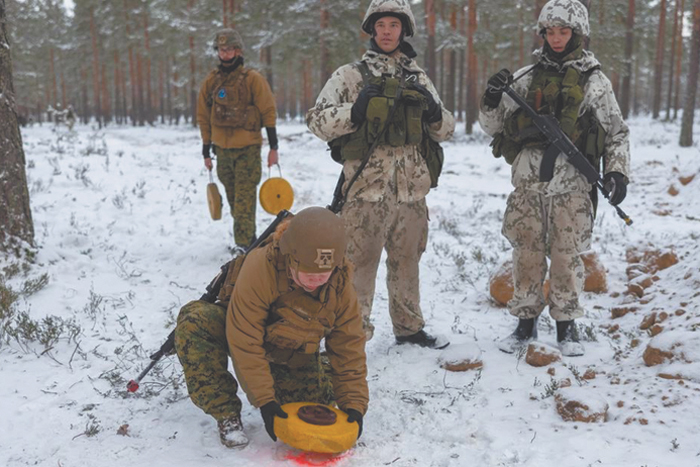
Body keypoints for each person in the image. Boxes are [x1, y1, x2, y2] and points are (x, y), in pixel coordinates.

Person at [479, 0, 630, 357]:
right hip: (528, 185)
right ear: (543, 33)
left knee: (567, 256)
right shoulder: (526, 76)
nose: (557, 38)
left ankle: (566, 325)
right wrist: (491, 96)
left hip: (573, 186)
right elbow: (493, 125)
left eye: (564, 32)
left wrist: (617, 172)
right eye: (551, 31)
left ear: (577, 33)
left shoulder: (595, 79)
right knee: (525, 253)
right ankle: (524, 322)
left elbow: (616, 133)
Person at [306, 0, 455, 349]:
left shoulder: (417, 77)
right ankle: (350, 336)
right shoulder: (350, 75)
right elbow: (317, 120)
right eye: (381, 25)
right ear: (372, 29)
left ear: (405, 30)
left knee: (407, 262)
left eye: (394, 25)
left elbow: (445, 129)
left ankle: (409, 328)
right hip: (366, 191)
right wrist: (354, 111)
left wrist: (434, 111)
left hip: (411, 192)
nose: (387, 31)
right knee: (358, 265)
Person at [174, 207, 368, 449]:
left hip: (290, 350)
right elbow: (245, 338)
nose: (317, 280)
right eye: (309, 272)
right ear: (291, 258)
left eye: (324, 273)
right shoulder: (262, 266)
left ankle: (322, 369)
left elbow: (348, 348)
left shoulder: (339, 287)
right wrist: (265, 400)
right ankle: (226, 414)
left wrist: (354, 404)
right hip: (240, 333)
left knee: (313, 413)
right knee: (195, 320)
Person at [197, 28, 279, 253]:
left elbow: (268, 110)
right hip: (222, 151)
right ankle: (249, 239)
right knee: (234, 200)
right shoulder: (212, 82)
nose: (225, 53)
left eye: (230, 49)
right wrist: (206, 150)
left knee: (244, 199)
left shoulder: (252, 79)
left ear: (238, 51)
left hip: (248, 150)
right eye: (222, 49)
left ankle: (244, 245)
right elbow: (203, 116)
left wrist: (273, 147)